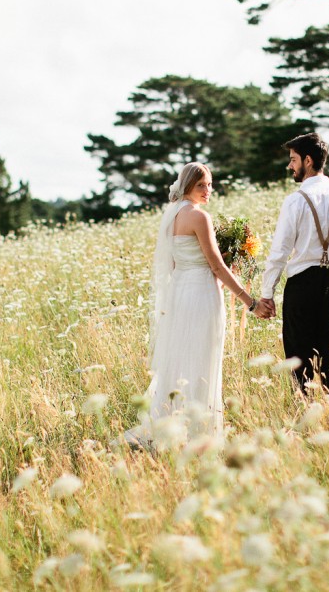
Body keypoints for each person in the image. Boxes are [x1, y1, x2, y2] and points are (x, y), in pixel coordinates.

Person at [123, 162, 272, 448]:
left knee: (181, 360)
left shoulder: (174, 215)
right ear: (188, 185)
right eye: (201, 184)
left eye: (210, 184)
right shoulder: (199, 217)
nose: (207, 190)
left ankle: (170, 425)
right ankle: (198, 433)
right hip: (202, 294)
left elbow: (179, 262)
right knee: (201, 360)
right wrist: (249, 302)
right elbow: (215, 265)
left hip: (181, 294)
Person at [259, 133, 329, 399]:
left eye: (293, 160)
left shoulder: (295, 200)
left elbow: (280, 252)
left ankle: (306, 418)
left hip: (301, 286)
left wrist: (266, 293)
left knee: (299, 358)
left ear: (308, 160)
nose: (290, 166)